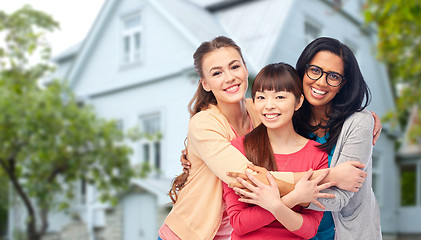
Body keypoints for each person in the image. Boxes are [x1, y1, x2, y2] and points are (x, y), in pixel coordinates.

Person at [158, 36, 336, 240]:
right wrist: (330, 177)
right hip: (187, 234)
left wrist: (365, 118)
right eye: (217, 73)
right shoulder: (204, 123)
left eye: (234, 67)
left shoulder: (261, 109)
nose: (229, 77)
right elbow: (246, 177)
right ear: (206, 84)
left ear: (245, 68)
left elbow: (302, 113)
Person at [232, 37, 382, 239]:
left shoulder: (358, 123)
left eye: (334, 76)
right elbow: (235, 118)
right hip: (293, 230)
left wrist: (272, 190)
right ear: (303, 70)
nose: (321, 82)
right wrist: (196, 154)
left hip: (344, 233)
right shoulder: (285, 117)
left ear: (342, 84)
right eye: (315, 70)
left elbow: (340, 198)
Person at [223, 62, 331, 239]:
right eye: (261, 97)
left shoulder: (317, 154)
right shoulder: (238, 149)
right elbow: (239, 223)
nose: (269, 105)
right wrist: (293, 198)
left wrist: (274, 205)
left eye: (280, 97)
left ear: (298, 102)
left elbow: (310, 229)